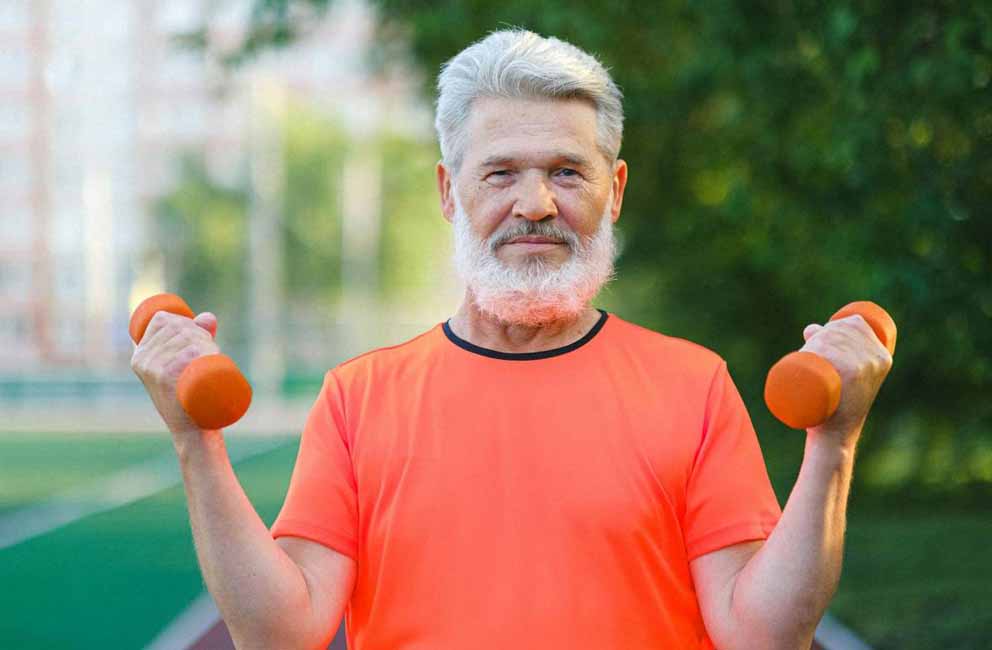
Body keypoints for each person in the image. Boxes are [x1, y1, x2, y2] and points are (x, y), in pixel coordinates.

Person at [131, 29, 893, 650]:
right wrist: (197, 444)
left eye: (567, 171)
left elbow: (762, 635)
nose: (536, 203)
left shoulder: (694, 385)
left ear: (614, 190)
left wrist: (835, 443)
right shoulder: (357, 399)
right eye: (500, 174)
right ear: (447, 192)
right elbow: (279, 636)